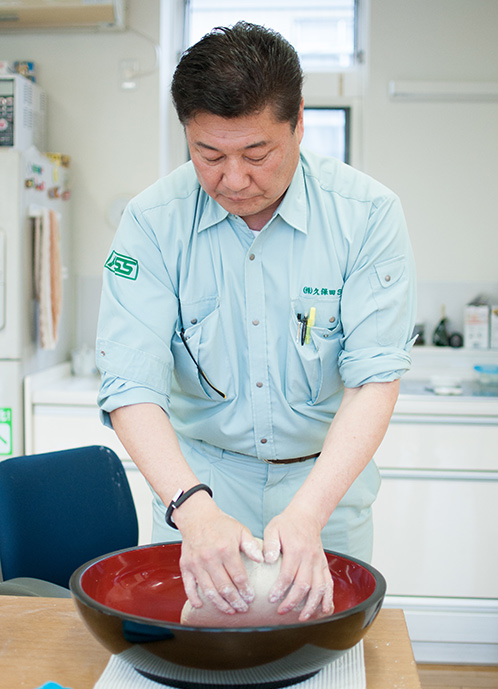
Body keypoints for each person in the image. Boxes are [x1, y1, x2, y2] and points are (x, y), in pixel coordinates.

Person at [96, 21, 416, 623]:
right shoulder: (152, 222)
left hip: (324, 486)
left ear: (299, 122)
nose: (234, 179)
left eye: (257, 154)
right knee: (191, 658)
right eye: (209, 155)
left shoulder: (367, 216)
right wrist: (193, 509)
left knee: (322, 656)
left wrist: (309, 512)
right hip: (199, 486)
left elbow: (374, 380)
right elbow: (130, 386)